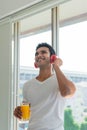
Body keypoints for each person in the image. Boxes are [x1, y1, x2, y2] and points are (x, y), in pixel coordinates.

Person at [14, 42, 76, 130]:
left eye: (43, 52)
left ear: (52, 58)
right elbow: (29, 111)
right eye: (37, 54)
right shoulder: (27, 85)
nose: (39, 55)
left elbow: (68, 92)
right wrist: (18, 111)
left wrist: (56, 66)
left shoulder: (61, 79)